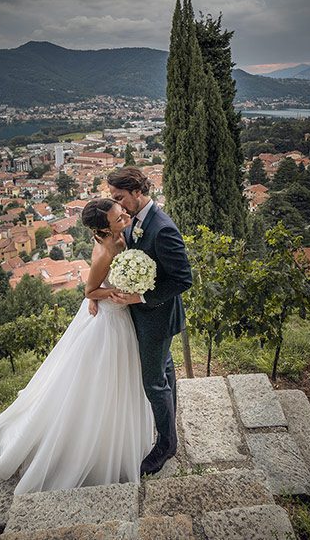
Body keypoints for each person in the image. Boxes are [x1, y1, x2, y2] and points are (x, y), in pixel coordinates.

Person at [0, 197, 154, 494]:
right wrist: (113, 292)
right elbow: (90, 289)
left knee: (123, 381)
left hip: (121, 318)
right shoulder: (103, 251)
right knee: (100, 384)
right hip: (109, 323)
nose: (126, 219)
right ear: (103, 230)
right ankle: (91, 451)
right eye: (119, 219)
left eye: (123, 214)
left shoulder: (120, 235)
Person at [106, 166, 193, 476]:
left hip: (156, 316)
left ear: (137, 194)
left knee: (153, 382)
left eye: (119, 197)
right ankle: (170, 428)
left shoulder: (163, 228)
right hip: (145, 315)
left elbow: (183, 280)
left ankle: (166, 446)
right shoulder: (135, 220)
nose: (115, 204)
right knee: (165, 370)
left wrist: (139, 298)